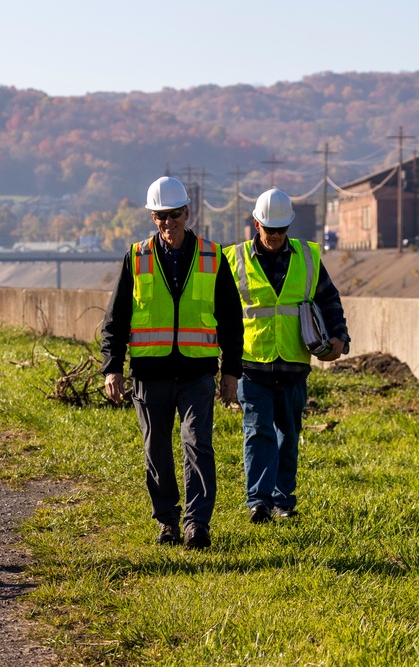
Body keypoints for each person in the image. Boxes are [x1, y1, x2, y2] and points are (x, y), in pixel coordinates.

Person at [101, 176, 243, 549]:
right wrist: (112, 367)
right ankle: (167, 521)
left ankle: (197, 523)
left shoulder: (213, 256)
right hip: (150, 372)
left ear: (187, 212)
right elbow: (116, 317)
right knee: (156, 449)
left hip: (197, 370)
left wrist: (231, 371)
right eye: (161, 216)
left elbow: (231, 318)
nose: (169, 223)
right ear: (152, 216)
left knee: (197, 443)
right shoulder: (136, 256)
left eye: (175, 214)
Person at [222, 188, 350, 524]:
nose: (276, 236)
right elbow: (216, 308)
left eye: (281, 230)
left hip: (294, 364)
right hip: (253, 364)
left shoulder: (307, 258)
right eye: (270, 229)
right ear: (256, 225)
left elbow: (329, 299)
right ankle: (259, 502)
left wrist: (339, 336)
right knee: (258, 431)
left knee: (288, 435)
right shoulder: (233, 260)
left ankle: (283, 500)